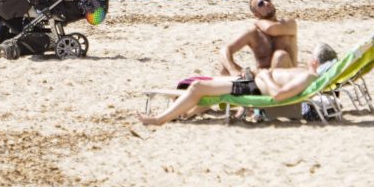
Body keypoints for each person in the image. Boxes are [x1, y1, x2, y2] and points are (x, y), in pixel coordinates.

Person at [137, 57, 325, 126]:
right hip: (252, 81)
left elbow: (277, 95)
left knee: (198, 87)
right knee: (203, 84)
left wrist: (266, 75)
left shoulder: (308, 76)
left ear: (315, 62)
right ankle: (184, 112)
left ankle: (159, 119)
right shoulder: (306, 75)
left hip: (254, 88)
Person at [220, 0, 299, 76]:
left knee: (280, 56)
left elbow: (271, 29)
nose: (266, 3)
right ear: (256, 14)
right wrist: (233, 70)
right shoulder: (254, 33)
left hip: (287, 77)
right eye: (261, 4)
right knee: (225, 67)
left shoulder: (288, 24)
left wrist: (258, 21)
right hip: (263, 79)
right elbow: (224, 50)